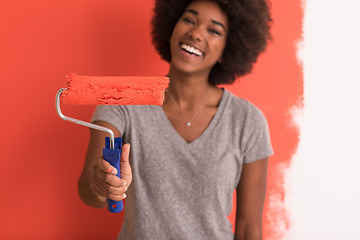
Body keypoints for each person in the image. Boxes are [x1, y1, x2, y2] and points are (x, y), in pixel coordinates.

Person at [78, 0, 273, 239]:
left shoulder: (247, 121)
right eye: (189, 20)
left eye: (214, 30)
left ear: (229, 47)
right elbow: (90, 192)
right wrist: (102, 184)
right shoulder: (122, 102)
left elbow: (249, 229)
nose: (195, 33)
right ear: (171, 27)